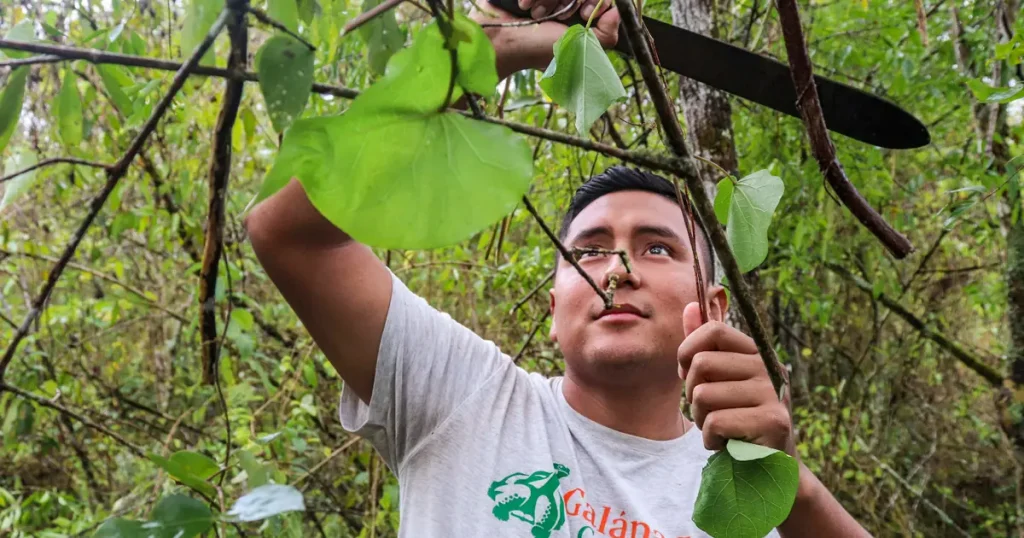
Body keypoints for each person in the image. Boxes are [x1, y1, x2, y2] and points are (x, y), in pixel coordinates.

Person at [245, 1, 871, 536]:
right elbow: (288, 232)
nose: (618, 269)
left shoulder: (744, 495)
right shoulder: (460, 397)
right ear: (552, 308)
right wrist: (493, 50)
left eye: (658, 248)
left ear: (711, 308)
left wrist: (791, 484)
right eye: (590, 250)